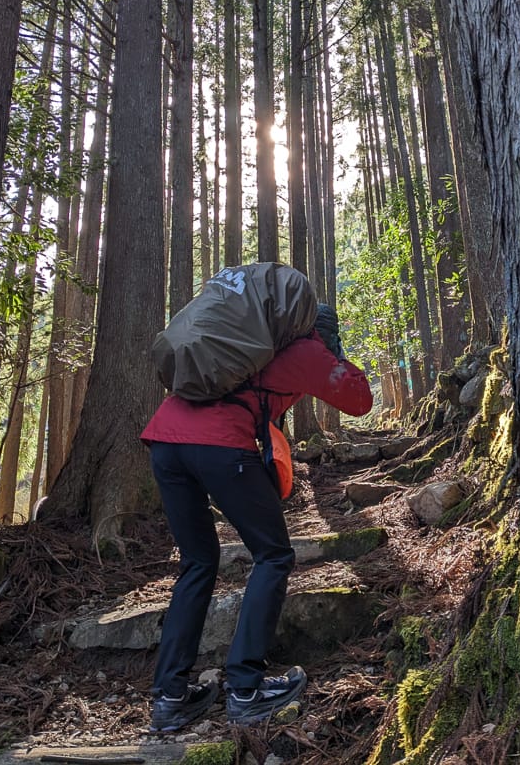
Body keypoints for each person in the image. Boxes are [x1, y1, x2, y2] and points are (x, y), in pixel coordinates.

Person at [141, 304, 373, 732]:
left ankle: (170, 698)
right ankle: (246, 688)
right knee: (273, 555)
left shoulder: (248, 343)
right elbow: (360, 401)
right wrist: (335, 353)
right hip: (219, 443)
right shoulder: (306, 350)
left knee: (197, 561)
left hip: (165, 440)